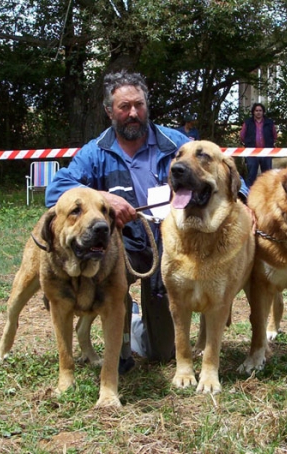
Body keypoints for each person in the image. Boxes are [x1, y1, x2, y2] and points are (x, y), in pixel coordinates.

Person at [45, 71, 193, 370]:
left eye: (138, 105)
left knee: (162, 353)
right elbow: (56, 190)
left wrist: (243, 198)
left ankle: (137, 320)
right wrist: (102, 196)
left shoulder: (175, 143)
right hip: (122, 246)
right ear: (109, 111)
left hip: (171, 242)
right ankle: (122, 340)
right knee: (113, 280)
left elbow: (214, 168)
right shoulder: (96, 151)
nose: (133, 113)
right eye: (124, 107)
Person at [240, 102, 277, 187]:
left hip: (266, 152)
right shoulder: (247, 122)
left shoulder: (270, 122)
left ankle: (267, 194)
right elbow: (242, 136)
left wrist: (270, 145)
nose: (258, 112)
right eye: (256, 110)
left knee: (267, 175)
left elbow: (274, 136)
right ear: (253, 112)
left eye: (260, 110)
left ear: (263, 112)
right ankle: (248, 195)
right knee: (251, 176)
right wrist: (248, 144)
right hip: (252, 153)